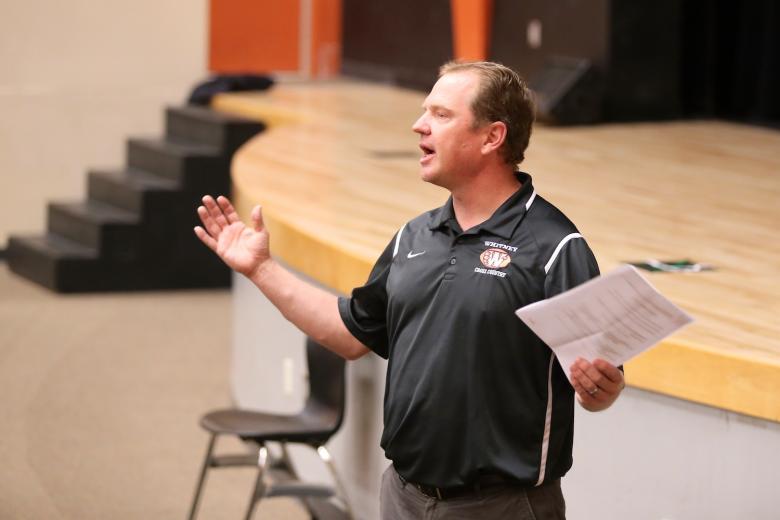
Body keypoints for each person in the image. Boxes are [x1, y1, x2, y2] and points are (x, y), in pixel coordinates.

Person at [194, 61, 625, 520]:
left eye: (440, 115)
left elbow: (599, 379)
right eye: (425, 112)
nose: (419, 125)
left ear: (492, 137)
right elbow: (349, 333)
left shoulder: (556, 246)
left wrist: (602, 388)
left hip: (503, 507)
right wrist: (261, 270)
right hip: (402, 497)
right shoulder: (414, 237)